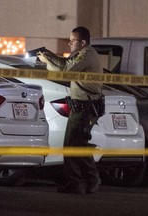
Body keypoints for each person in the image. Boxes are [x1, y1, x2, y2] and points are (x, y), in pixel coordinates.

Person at [37, 26, 103, 194]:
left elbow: (65, 71)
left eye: (73, 41)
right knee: (77, 144)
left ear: (83, 42)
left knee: (74, 145)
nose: (70, 44)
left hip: (85, 107)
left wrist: (47, 62)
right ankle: (86, 181)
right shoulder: (83, 54)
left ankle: (82, 181)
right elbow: (66, 64)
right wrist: (49, 56)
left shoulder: (86, 55)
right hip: (82, 106)